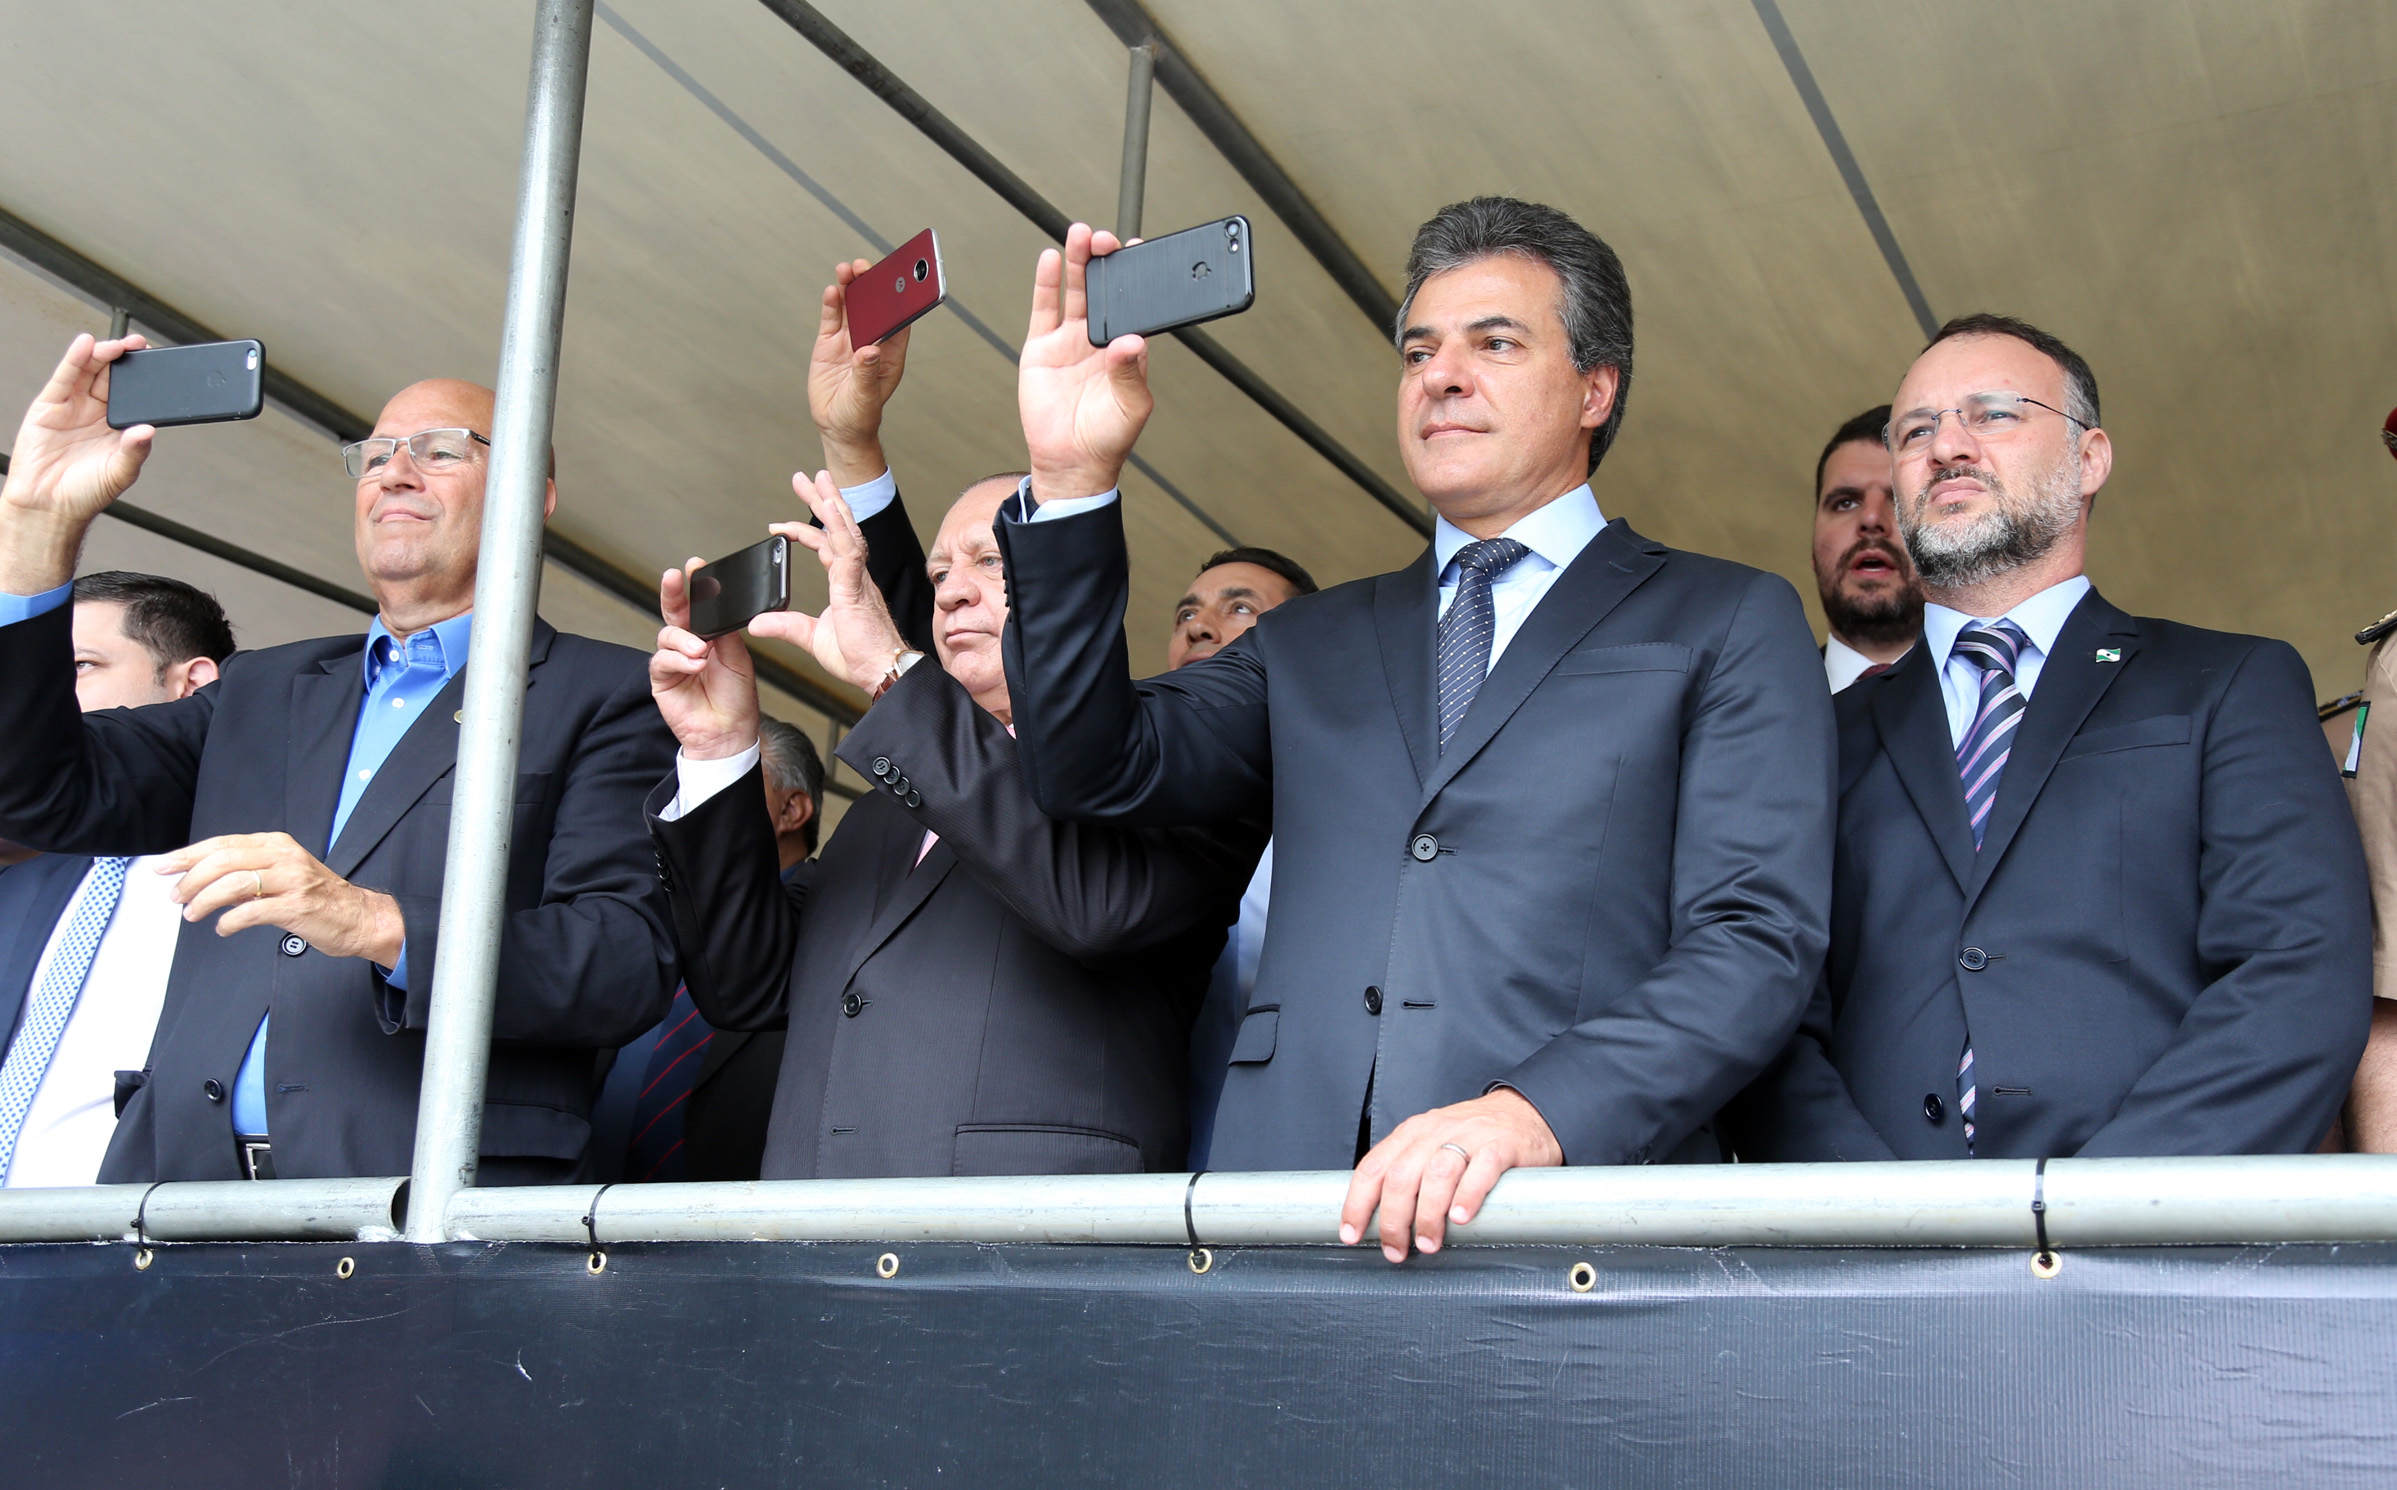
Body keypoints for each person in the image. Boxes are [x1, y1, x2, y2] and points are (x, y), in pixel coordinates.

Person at [993, 197, 1834, 1263]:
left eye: (1496, 343)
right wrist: (1072, 483)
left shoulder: (1724, 616)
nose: (1441, 376)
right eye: (1420, 351)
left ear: (1596, 388)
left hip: (1566, 1225)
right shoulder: (1310, 638)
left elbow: (1755, 939)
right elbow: (1091, 767)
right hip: (1290, 1214)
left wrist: (1539, 1111)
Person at [0, 334, 679, 1183]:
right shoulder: (262, 688)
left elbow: (621, 963)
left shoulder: (609, 693)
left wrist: (372, 923)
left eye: (440, 451)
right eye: (376, 455)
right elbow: (35, 792)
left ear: (531, 497)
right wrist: (38, 528)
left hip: (421, 1204)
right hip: (180, 1198)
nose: (395, 473)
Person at [1727, 314, 2368, 1161]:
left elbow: (2296, 971)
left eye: (1992, 414)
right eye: (1915, 431)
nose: (1945, 446)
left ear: (2088, 458)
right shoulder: (1817, 738)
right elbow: (1761, 1005)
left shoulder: (2228, 682)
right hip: (1877, 1231)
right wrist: (1878, 1214)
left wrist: (2097, 1210)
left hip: (2152, 1227)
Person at [645, 466, 1262, 1179]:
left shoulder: (1175, 754)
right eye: (938, 573)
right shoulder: (888, 803)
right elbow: (744, 984)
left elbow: (1097, 909)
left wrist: (891, 669)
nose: (950, 592)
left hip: (1024, 1228)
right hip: (815, 1223)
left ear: (1073, 580)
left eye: (989, 562)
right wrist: (719, 750)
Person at [0, 571, 233, 1186]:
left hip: (143, 1225)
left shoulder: (259, 869)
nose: (38, 693)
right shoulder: (21, 878)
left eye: (79, 666)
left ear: (192, 684)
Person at [589, 715, 824, 1183]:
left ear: (791, 811)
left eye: (729, 782)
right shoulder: (647, 912)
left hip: (734, 1207)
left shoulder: (832, 926)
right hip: (580, 1201)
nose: (697, 799)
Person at [1168, 546, 1317, 1168]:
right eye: (1186, 614)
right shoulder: (1131, 819)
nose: (1199, 627)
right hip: (1144, 1180)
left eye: (1239, 608)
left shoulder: (1344, 820)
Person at [1811, 406, 1922, 690]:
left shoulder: (2003, 698)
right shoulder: (1751, 702)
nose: (1871, 519)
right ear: (1813, 549)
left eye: (1901, 500)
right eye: (1845, 503)